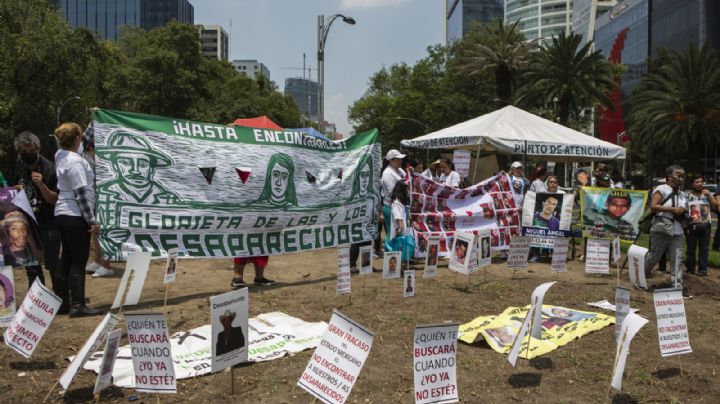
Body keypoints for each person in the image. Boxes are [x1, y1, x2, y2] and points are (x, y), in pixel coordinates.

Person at [53, 123, 102, 317]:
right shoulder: (76, 163)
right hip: (75, 215)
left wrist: (93, 120)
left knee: (65, 259)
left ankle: (62, 302)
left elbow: (85, 139)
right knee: (78, 260)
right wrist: (91, 220)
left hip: (62, 213)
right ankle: (78, 305)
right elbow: (81, 194)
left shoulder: (61, 155)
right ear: (76, 140)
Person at [8, 131, 61, 289]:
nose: (28, 155)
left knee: (52, 263)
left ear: (37, 149)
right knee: (32, 267)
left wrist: (41, 185)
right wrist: (16, 190)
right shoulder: (18, 167)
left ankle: (61, 298)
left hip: (48, 223)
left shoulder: (49, 168)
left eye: (31, 151)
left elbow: (54, 199)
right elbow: (10, 194)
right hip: (26, 224)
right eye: (24, 152)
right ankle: (37, 300)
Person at [645, 165, 688, 292]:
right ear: (669, 177)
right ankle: (640, 275)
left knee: (678, 259)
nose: (681, 179)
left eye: (682, 176)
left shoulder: (682, 194)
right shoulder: (661, 189)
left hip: (678, 230)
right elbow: (653, 206)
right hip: (662, 228)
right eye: (678, 175)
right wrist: (673, 209)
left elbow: (683, 210)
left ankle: (677, 286)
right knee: (654, 256)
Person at [349, 154, 378, 272]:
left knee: (367, 240)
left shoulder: (372, 195)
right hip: (356, 222)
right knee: (356, 241)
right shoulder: (353, 196)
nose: (365, 179)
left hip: (368, 221)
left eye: (367, 175)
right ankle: (352, 264)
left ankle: (367, 263)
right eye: (362, 175)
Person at [685, 175, 717, 276]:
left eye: (701, 182)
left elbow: (716, 206)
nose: (699, 184)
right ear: (692, 184)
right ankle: (690, 268)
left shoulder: (707, 195)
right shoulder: (687, 195)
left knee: (704, 249)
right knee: (690, 248)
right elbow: (684, 209)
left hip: (705, 225)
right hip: (691, 225)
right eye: (697, 182)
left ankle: (703, 270)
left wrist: (710, 196)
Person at [386, 182, 414, 264]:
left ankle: (402, 264)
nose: (407, 191)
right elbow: (398, 216)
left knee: (403, 247)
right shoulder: (396, 202)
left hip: (404, 227)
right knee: (398, 247)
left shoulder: (400, 202)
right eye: (406, 189)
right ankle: (398, 265)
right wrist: (400, 227)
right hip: (399, 228)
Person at [381, 150, 406, 238]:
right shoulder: (387, 173)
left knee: (401, 234)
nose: (401, 161)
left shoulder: (399, 170)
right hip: (392, 207)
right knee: (392, 234)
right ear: (391, 161)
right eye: (398, 159)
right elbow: (393, 193)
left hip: (401, 206)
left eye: (401, 159)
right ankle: (390, 250)